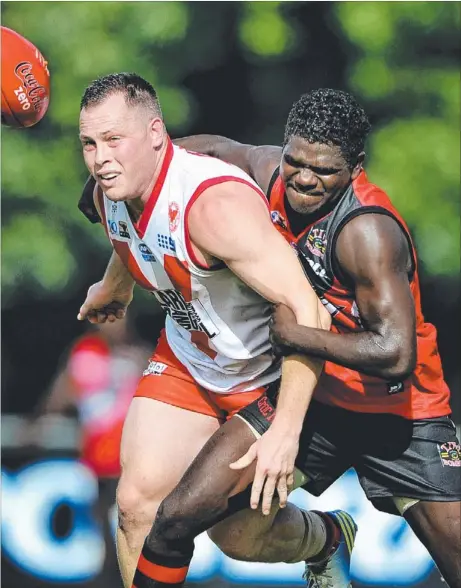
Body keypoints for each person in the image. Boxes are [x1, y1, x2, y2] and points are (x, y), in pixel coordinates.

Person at [122, 89, 460, 588]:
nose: (303, 178)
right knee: (172, 521)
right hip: (312, 405)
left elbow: (396, 354)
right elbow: (200, 151)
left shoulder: (367, 232)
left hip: (400, 417)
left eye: (323, 171)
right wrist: (128, 175)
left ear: (356, 167)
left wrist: (301, 334)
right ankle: (327, 540)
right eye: (295, 161)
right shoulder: (266, 172)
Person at [76, 73, 355, 588]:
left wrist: (286, 432)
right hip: (188, 360)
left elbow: (311, 314)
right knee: (136, 503)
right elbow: (131, 235)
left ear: (157, 134)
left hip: (267, 378)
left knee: (237, 539)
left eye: (115, 140)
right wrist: (114, 285)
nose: (100, 159)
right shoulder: (108, 193)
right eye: (90, 143)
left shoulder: (214, 209)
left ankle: (327, 538)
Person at [30, 316, 151, 587]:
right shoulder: (84, 352)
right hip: (97, 457)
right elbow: (62, 392)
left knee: (133, 521)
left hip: (132, 457)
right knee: (104, 523)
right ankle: (110, 575)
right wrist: (40, 421)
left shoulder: (139, 356)